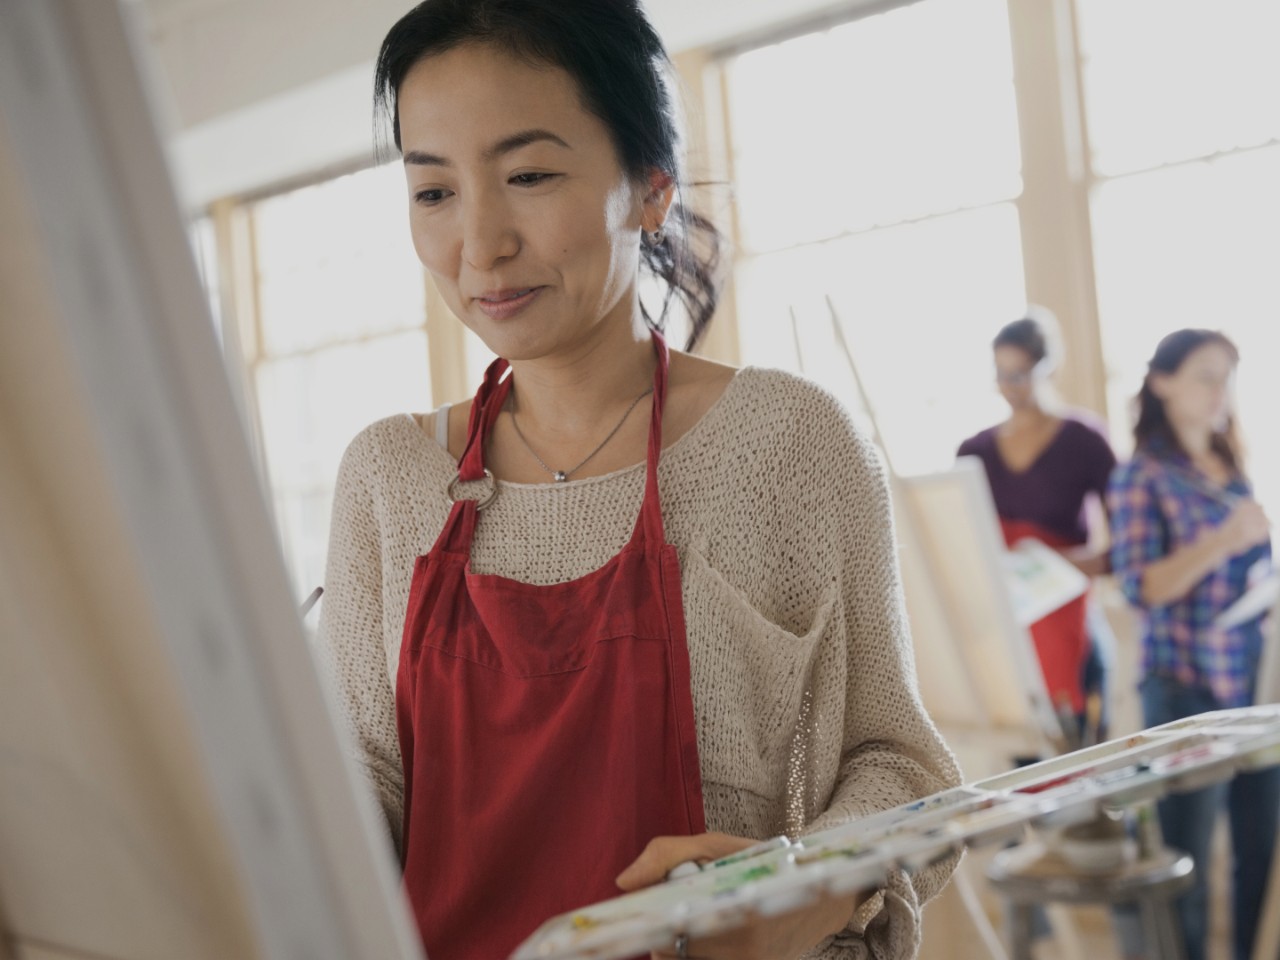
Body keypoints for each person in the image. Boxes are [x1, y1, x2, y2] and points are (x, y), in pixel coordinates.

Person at [315, 2, 960, 958]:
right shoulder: (387, 475)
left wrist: (807, 886)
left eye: (528, 175)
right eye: (434, 192)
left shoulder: (789, 443)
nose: (480, 244)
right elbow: (361, 779)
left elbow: (899, 764)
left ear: (650, 187)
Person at [1108, 328, 1277, 960]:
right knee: (1186, 859)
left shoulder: (1233, 471)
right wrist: (1224, 542)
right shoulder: (1140, 476)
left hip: (1251, 680)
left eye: (1227, 376)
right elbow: (1140, 585)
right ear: (1163, 382)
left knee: (1262, 850)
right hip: (1182, 684)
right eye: (1205, 375)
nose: (1219, 391)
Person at [958, 310, 1117, 740]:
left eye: (1023, 373)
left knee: (1083, 764)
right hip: (1006, 637)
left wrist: (1049, 564)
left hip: (1072, 626)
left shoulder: (1086, 440)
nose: (1012, 387)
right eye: (1001, 373)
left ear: (1051, 369)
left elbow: (1126, 550)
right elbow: (963, 551)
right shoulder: (974, 452)